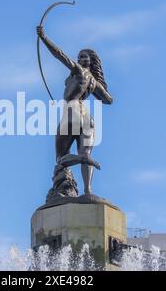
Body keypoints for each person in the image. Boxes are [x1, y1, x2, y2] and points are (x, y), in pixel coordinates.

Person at [37, 25, 113, 195]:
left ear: (90, 61)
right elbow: (108, 100)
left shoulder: (79, 71)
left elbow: (60, 55)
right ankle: (88, 190)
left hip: (72, 111)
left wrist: (44, 38)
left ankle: (82, 159)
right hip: (87, 116)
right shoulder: (95, 82)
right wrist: (95, 88)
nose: (79, 59)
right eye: (79, 57)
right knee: (85, 150)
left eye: (83, 57)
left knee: (60, 158)